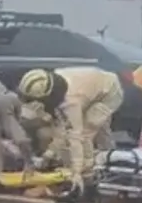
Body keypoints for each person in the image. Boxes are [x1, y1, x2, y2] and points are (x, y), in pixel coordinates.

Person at [17, 67, 124, 196]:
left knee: (86, 133)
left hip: (109, 94)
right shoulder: (52, 84)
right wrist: (49, 154)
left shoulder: (70, 102)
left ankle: (86, 181)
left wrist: (76, 172)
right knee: (99, 133)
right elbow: (61, 129)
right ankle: (115, 167)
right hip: (96, 88)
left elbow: (74, 137)